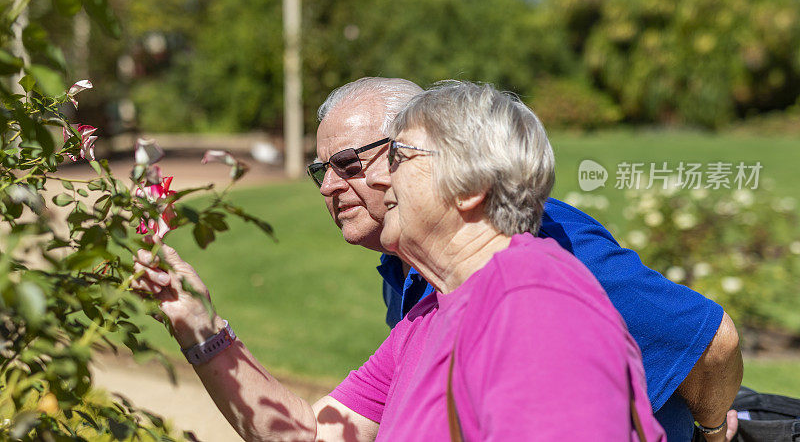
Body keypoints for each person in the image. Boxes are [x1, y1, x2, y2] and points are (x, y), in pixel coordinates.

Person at [133, 81, 667, 440]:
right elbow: (317, 435)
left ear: (472, 186)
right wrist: (196, 324)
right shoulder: (430, 314)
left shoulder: (533, 304)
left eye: (398, 157)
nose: (377, 178)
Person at [309, 77, 742, 441]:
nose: (328, 186)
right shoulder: (415, 272)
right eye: (321, 170)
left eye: (348, 164)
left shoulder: (545, 253)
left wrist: (714, 432)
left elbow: (714, 339)